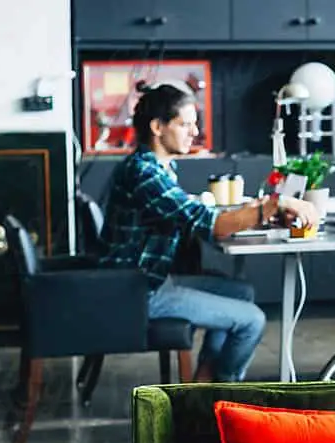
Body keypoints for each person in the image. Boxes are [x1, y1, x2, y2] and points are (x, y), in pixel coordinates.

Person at [100, 84, 320, 382]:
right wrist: (275, 203)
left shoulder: (159, 167)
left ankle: (206, 377)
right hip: (141, 291)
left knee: (242, 292)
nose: (195, 132)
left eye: (195, 123)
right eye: (186, 124)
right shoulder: (144, 173)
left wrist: (263, 215)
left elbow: (200, 218)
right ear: (157, 127)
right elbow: (207, 222)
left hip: (149, 280)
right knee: (252, 321)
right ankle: (220, 391)